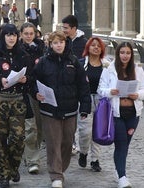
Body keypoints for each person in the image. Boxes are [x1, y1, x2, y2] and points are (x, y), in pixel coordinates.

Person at [32, 30, 91, 188]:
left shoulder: (74, 62)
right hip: (49, 110)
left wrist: (85, 107)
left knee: (66, 143)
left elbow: (83, 86)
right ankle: (56, 174)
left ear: (66, 43)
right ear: (50, 44)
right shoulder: (43, 62)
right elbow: (33, 81)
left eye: (61, 42)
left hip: (70, 109)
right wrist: (36, 93)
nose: (59, 45)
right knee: (53, 143)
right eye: (55, 43)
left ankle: (60, 168)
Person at [0, 24, 32, 188]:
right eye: (8, 35)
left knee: (18, 137)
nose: (11, 38)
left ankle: (13, 167)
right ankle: (3, 176)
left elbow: (32, 76)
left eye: (14, 35)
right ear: (2, 36)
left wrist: (26, 80)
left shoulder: (23, 55)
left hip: (17, 101)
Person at [97, 42, 144, 188]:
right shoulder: (109, 69)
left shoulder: (138, 70)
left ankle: (119, 170)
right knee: (121, 144)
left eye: (128, 53)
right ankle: (122, 176)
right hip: (116, 113)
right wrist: (110, 92)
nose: (125, 55)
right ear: (118, 54)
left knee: (125, 145)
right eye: (122, 52)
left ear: (131, 55)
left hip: (133, 114)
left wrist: (137, 94)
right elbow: (101, 90)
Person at [77, 37, 110, 172]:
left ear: (102, 49)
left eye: (98, 46)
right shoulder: (81, 64)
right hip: (85, 100)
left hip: (101, 100)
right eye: (93, 45)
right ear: (88, 48)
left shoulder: (107, 65)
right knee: (85, 131)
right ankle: (83, 152)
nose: (96, 48)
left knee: (98, 130)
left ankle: (95, 159)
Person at [19, 22, 45, 174]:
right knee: (30, 127)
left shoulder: (42, 49)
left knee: (40, 127)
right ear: (21, 34)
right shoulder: (18, 50)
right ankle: (32, 160)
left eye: (31, 33)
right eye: (26, 33)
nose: (28, 36)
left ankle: (29, 152)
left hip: (39, 91)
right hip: (24, 91)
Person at [61, 14, 88, 155]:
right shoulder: (61, 41)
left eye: (65, 28)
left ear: (74, 28)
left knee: (76, 116)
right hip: (65, 84)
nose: (63, 30)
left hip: (78, 83)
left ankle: (77, 144)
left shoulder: (83, 42)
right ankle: (69, 142)